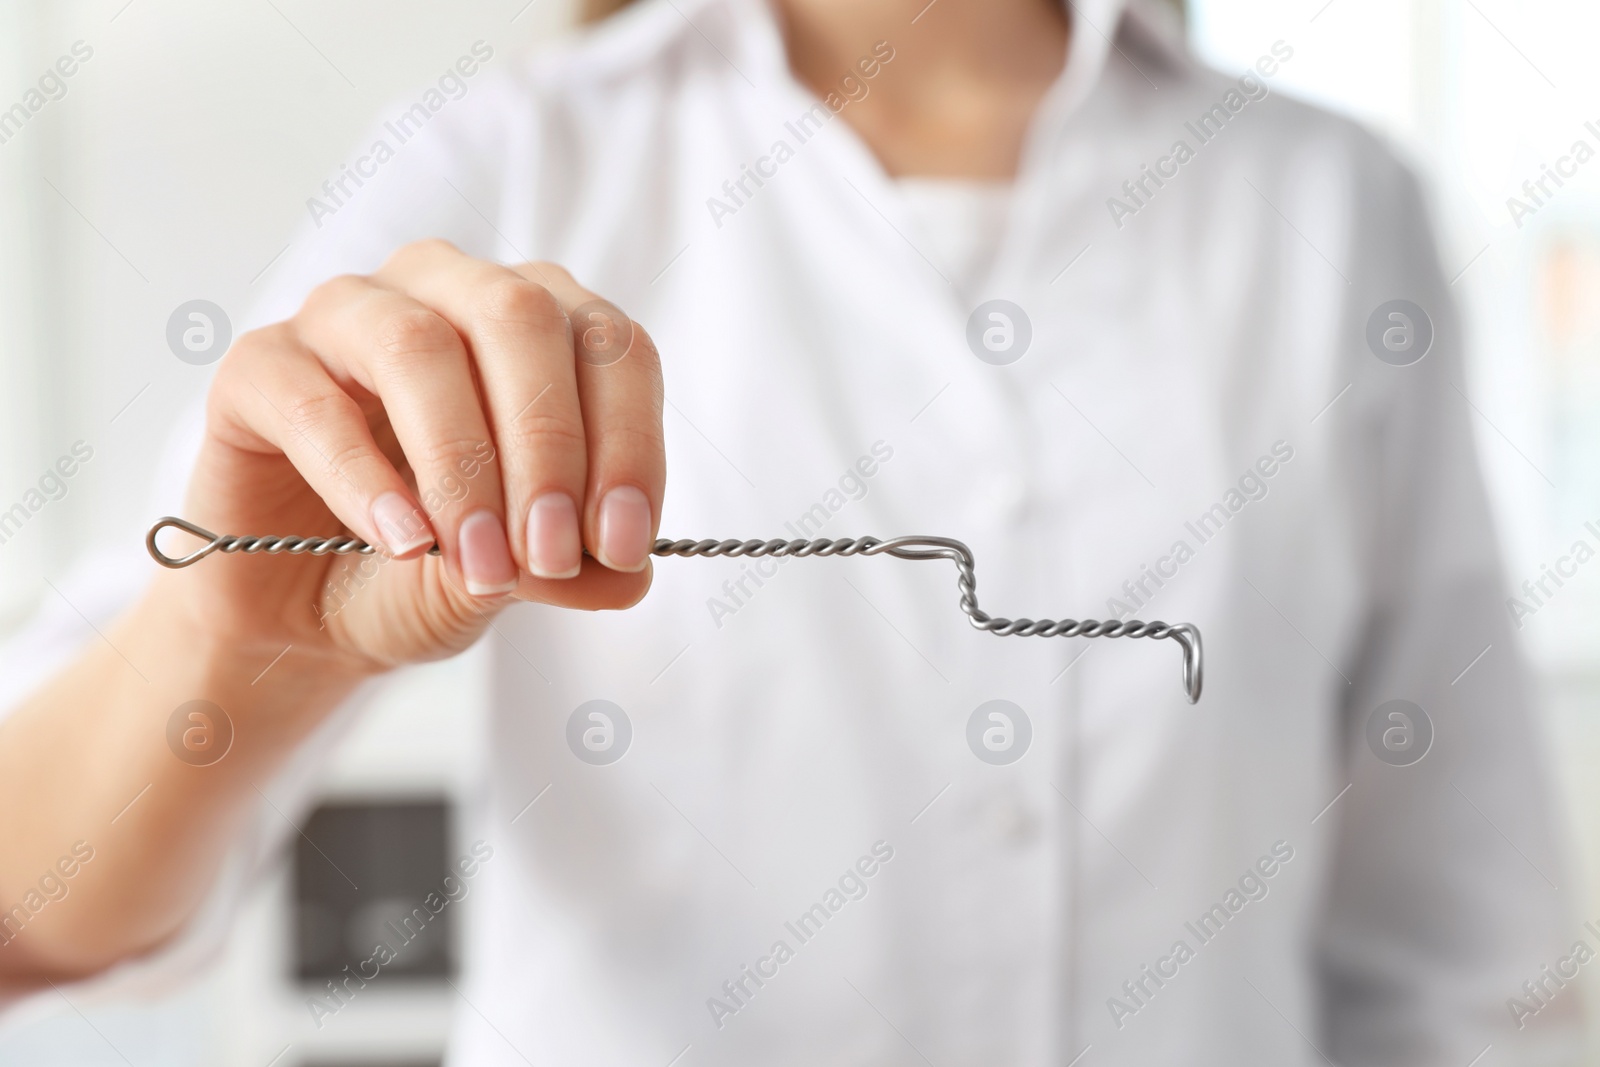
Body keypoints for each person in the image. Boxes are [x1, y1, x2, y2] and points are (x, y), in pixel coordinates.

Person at [0, 0, 1583, 1062]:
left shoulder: (1330, 207)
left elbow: (1455, 962)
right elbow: (29, 911)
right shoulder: (511, 154)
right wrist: (235, 641)